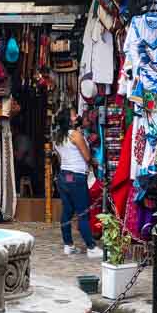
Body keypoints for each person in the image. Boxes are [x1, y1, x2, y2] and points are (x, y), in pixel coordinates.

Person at [53, 110, 102, 258]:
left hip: (63, 176)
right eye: (74, 115)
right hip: (76, 177)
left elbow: (62, 159)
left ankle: (68, 245)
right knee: (83, 212)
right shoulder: (76, 134)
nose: (77, 117)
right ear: (69, 120)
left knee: (67, 211)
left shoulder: (58, 137)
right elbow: (86, 157)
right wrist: (95, 162)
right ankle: (91, 247)